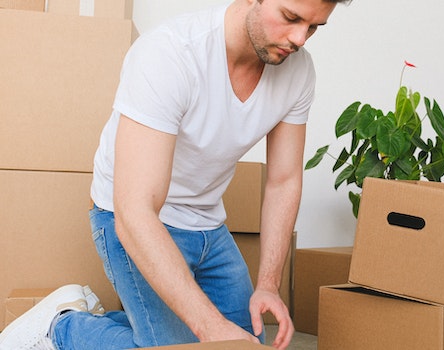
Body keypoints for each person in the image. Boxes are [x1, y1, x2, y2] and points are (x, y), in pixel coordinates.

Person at [0, 0, 350, 349]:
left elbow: (283, 180)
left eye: (314, 27)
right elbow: (134, 211)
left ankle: (127, 326)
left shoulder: (298, 71)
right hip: (130, 216)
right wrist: (209, 327)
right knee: (197, 344)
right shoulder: (169, 53)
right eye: (291, 18)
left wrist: (268, 284)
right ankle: (62, 327)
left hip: (207, 224)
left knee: (244, 344)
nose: (300, 38)